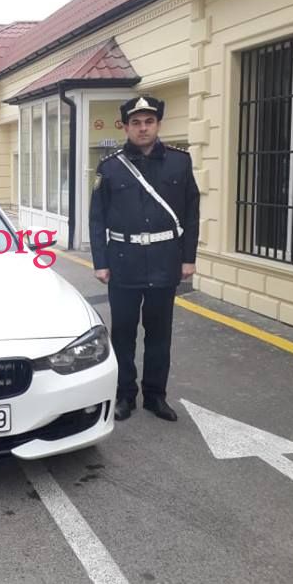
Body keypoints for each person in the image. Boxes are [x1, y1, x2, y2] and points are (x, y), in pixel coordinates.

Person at [88, 95, 199, 423]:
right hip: (123, 261)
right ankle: (125, 396)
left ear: (158, 124)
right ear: (125, 126)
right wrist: (100, 261)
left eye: (149, 121)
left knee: (159, 334)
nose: (143, 128)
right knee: (122, 333)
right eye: (135, 122)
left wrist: (188, 258)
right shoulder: (110, 166)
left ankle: (155, 396)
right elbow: (97, 217)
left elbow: (192, 212)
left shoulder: (180, 162)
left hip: (165, 261)